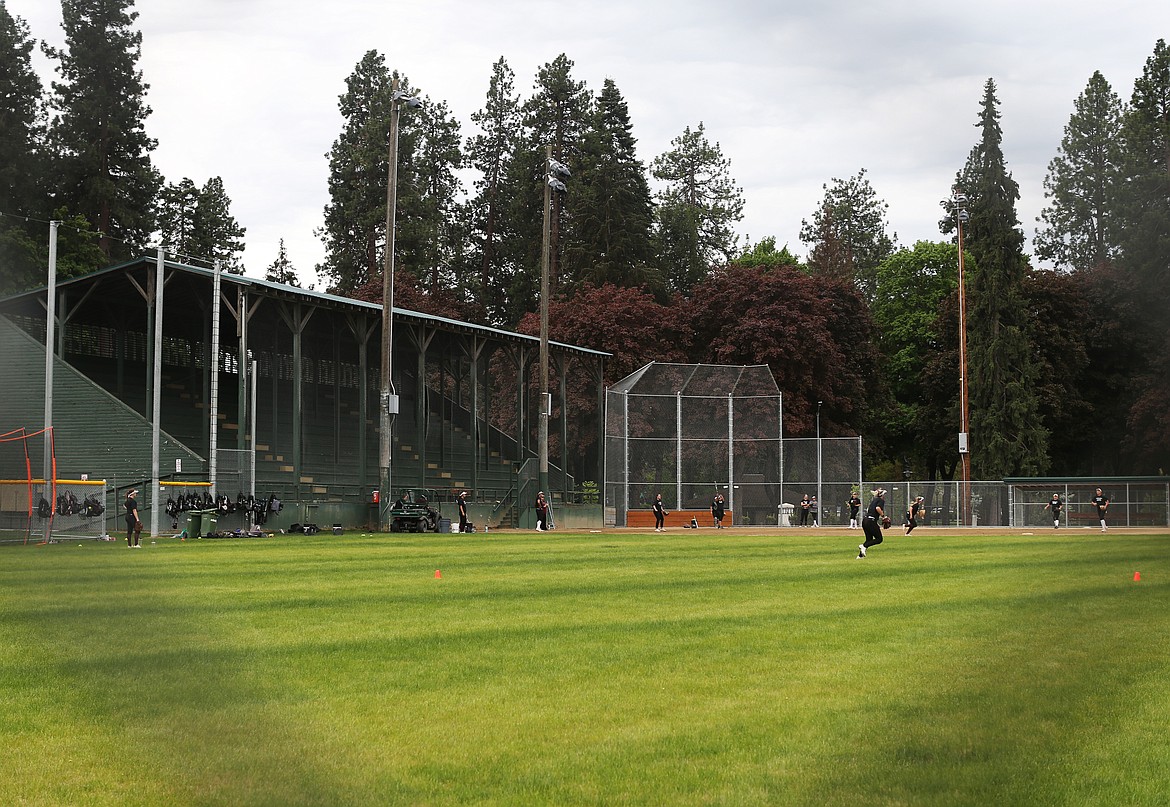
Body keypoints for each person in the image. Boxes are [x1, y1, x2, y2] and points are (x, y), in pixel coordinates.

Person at [858, 488, 887, 559]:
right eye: (884, 494)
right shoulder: (881, 500)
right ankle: (863, 546)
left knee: (869, 539)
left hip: (865, 520)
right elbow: (878, 508)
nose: (884, 496)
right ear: (882, 495)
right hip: (871, 521)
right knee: (879, 539)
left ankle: (860, 556)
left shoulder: (873, 500)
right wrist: (883, 516)